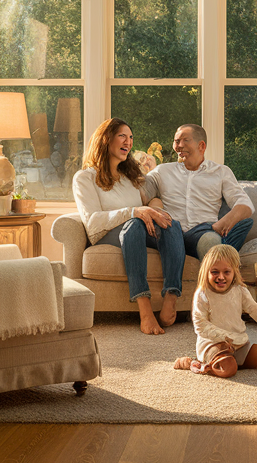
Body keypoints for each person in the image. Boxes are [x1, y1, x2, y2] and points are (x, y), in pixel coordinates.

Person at [72, 118, 183, 336]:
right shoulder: (85, 177)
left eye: (131, 137)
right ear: (106, 139)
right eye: (123, 136)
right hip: (109, 233)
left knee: (171, 224)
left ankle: (171, 295)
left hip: (139, 228)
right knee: (133, 225)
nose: (129, 142)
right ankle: (145, 310)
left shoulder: (129, 175)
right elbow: (93, 222)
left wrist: (156, 210)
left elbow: (150, 200)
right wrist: (134, 212)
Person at [172, 245, 257, 377]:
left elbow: (254, 309)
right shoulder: (203, 294)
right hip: (213, 343)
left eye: (226, 272)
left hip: (238, 342)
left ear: (234, 272)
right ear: (206, 272)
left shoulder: (240, 290)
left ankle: (229, 360)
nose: (221, 277)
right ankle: (196, 363)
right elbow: (200, 326)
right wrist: (225, 337)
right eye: (215, 272)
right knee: (229, 369)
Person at [144, 124, 255, 262]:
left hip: (202, 233)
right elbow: (142, 190)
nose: (179, 145)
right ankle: (226, 252)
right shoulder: (162, 171)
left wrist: (223, 223)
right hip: (171, 234)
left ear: (201, 146)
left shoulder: (221, 172)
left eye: (185, 140)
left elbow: (245, 204)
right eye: (176, 141)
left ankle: (214, 275)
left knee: (212, 239)